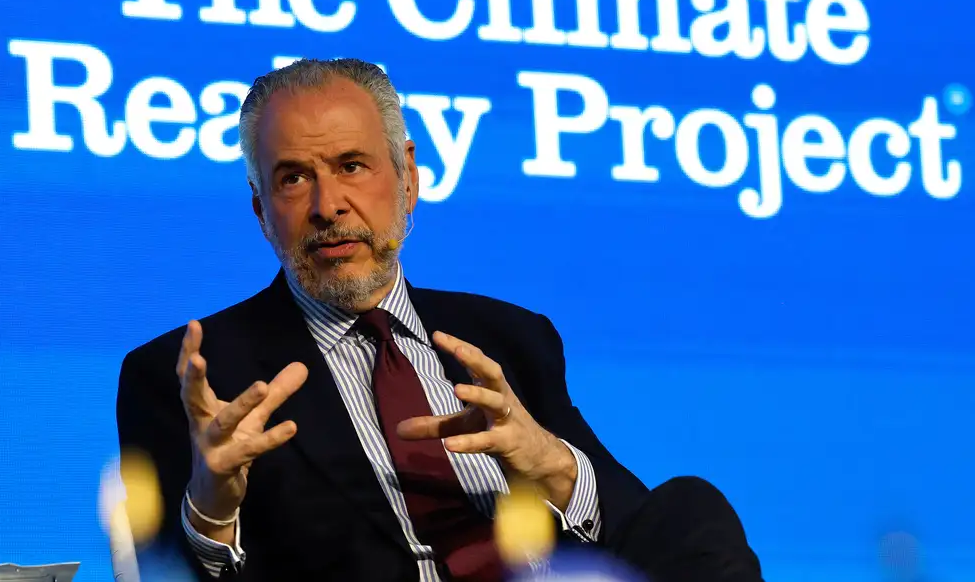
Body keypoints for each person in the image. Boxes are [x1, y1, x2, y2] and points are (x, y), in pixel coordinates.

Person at [117, 58, 763, 582]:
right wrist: (213, 507)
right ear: (262, 211)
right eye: (292, 179)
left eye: (351, 166)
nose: (327, 205)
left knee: (692, 509)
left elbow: (630, 531)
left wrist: (552, 464)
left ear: (408, 181)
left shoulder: (510, 339)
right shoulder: (191, 376)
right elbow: (168, 569)